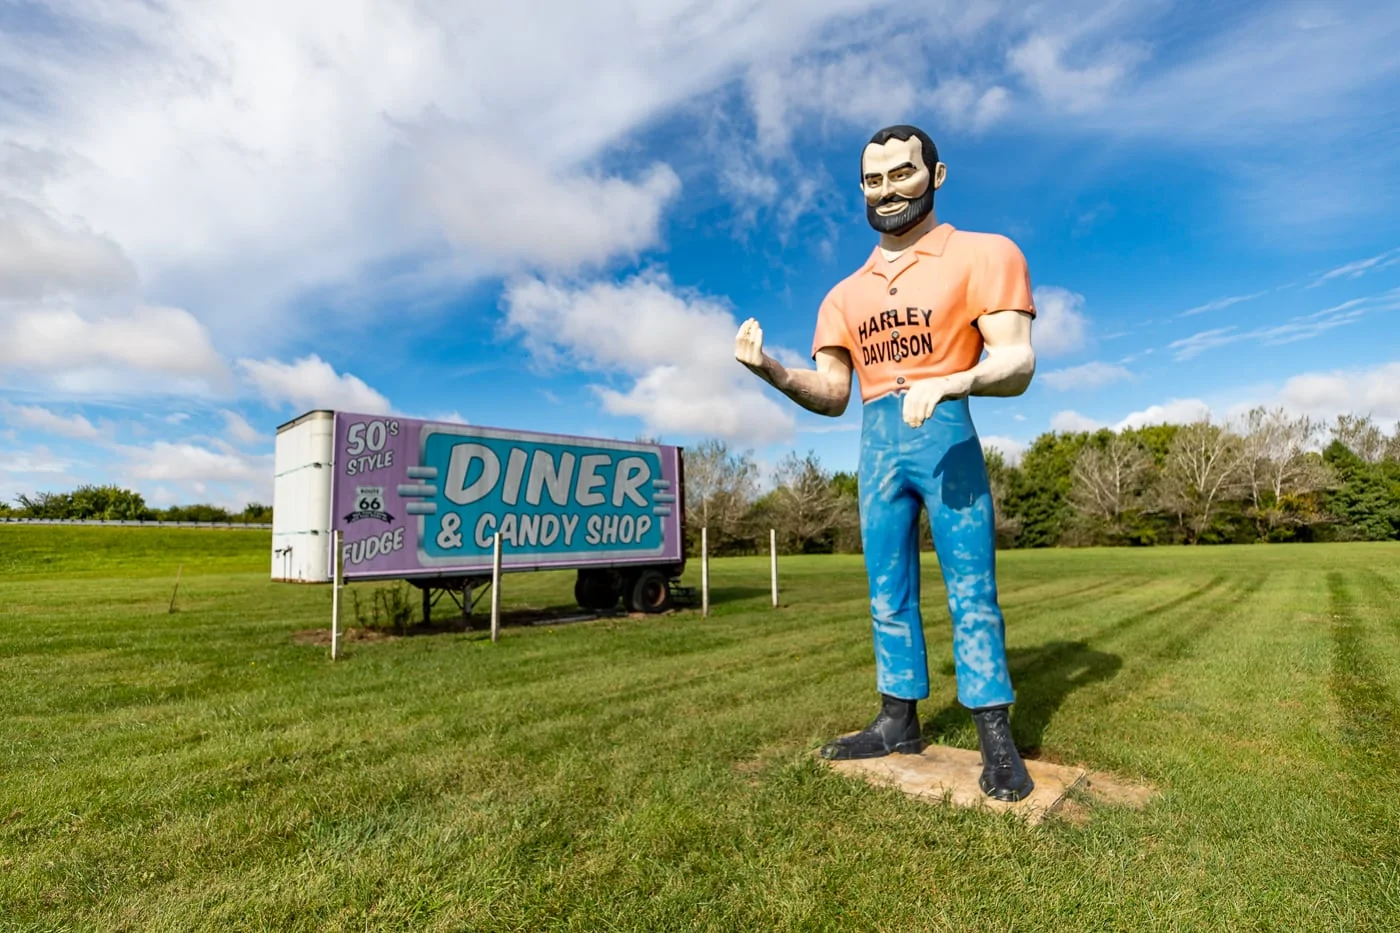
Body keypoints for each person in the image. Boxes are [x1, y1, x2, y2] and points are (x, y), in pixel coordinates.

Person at [734, 124, 1036, 801]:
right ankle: (897, 718)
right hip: (876, 442)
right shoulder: (845, 294)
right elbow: (834, 394)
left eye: (903, 172)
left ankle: (993, 727)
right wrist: (774, 372)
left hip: (946, 433)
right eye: (873, 179)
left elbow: (1017, 361)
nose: (888, 189)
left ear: (937, 174)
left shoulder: (984, 254)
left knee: (971, 586)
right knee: (885, 587)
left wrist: (953, 380)